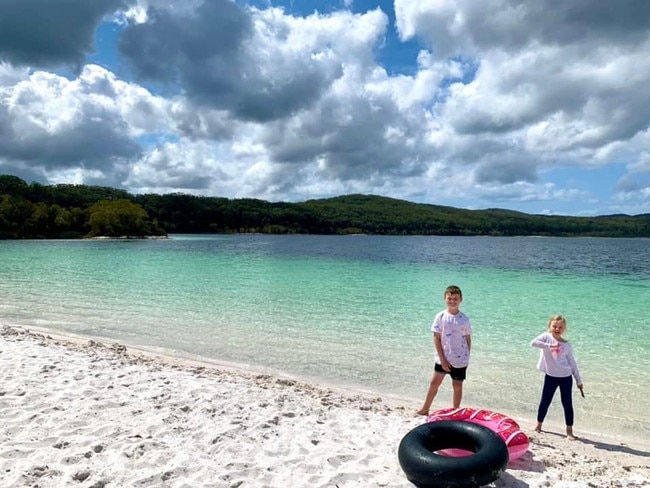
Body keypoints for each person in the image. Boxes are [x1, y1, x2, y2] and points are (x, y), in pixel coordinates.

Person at [416, 285, 472, 415]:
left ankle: (455, 412)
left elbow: (468, 338)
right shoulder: (440, 316)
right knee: (434, 383)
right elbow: (436, 338)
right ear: (445, 299)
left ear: (461, 300)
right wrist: (442, 359)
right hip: (443, 358)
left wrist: (467, 356)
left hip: (460, 360)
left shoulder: (464, 319)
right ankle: (425, 409)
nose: (452, 301)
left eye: (455, 299)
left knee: (457, 387)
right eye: (449, 298)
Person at [531, 315, 584, 440]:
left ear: (564, 328)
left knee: (567, 404)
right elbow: (533, 343)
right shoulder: (546, 337)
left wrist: (579, 380)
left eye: (560, 327)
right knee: (545, 401)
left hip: (566, 377)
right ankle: (538, 425)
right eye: (554, 326)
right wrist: (549, 346)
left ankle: (569, 431)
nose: (557, 329)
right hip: (551, 376)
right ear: (550, 326)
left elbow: (572, 363)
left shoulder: (566, 345)